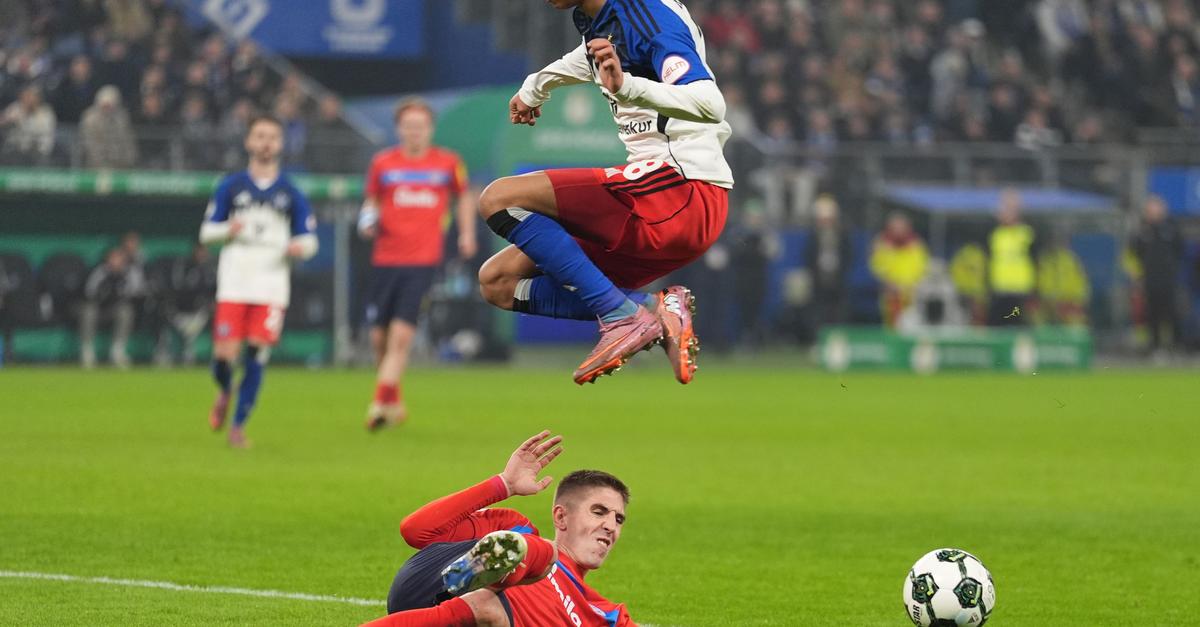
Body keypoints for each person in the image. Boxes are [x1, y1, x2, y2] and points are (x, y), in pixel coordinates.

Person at [476, 0, 732, 385]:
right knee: (497, 282)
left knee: (498, 199)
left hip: (682, 189)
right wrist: (536, 87)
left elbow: (710, 104)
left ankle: (622, 316)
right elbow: (585, 58)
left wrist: (627, 87)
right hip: (665, 208)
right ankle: (654, 309)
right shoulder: (601, 18)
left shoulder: (650, 17)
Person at [361, 431, 634, 627]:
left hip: (468, 616)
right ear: (561, 517)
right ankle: (478, 572)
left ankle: (481, 581)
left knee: (487, 608)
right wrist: (503, 484)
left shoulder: (607, 616)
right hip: (425, 585)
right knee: (542, 552)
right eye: (598, 512)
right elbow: (416, 531)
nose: (610, 526)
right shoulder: (514, 527)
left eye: (618, 519)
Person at [199, 115, 318, 448]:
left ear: (280, 145)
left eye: (272, 137)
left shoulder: (290, 192)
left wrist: (299, 247)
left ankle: (238, 427)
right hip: (235, 282)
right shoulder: (231, 187)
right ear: (249, 142)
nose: (266, 143)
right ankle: (224, 389)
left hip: (271, 285)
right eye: (260, 136)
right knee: (224, 355)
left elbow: (310, 240)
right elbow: (206, 233)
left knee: (257, 354)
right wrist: (227, 231)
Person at [358, 98, 477, 431]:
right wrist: (367, 220)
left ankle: (378, 404)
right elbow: (371, 200)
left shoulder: (447, 163)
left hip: (423, 261)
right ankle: (393, 401)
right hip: (384, 259)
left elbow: (464, 196)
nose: (414, 132)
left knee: (400, 337)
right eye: (408, 126)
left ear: (430, 129)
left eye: (420, 126)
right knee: (378, 339)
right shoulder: (383, 163)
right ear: (399, 129)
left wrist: (466, 233)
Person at [1133, 195, 1185, 355]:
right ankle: (1155, 347)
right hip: (1150, 279)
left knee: (1172, 312)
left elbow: (1179, 249)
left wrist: (1171, 268)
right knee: (1152, 313)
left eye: (1156, 209)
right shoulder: (1143, 230)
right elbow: (1136, 251)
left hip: (1168, 279)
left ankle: (1177, 346)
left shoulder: (1171, 228)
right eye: (1150, 210)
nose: (1153, 213)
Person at [79, 247, 145, 369]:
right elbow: (88, 292)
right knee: (88, 310)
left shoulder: (130, 272)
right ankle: (87, 351)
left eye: (119, 258)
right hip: (98, 309)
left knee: (125, 311)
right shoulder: (100, 271)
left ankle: (117, 351)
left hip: (114, 310)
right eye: (112, 258)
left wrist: (120, 294)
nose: (115, 261)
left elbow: (138, 292)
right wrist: (104, 292)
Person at [869, 212, 929, 327]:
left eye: (901, 227)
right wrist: (888, 282)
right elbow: (876, 266)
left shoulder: (916, 245)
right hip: (891, 294)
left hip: (912, 295)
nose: (898, 230)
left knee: (911, 325)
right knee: (891, 325)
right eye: (895, 227)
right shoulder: (881, 244)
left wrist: (913, 285)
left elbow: (923, 268)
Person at [987, 189, 1037, 326]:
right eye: (1004, 207)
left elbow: (1036, 260)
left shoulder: (1027, 233)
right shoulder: (994, 234)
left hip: (1020, 290)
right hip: (999, 289)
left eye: (1010, 208)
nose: (1005, 212)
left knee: (1017, 323)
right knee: (997, 325)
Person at [805, 195, 853, 326]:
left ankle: (836, 336)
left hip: (837, 276)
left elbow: (848, 254)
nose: (825, 221)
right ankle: (819, 336)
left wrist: (841, 270)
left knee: (838, 309)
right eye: (823, 219)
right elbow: (808, 255)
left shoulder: (842, 234)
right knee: (818, 309)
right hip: (819, 277)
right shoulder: (814, 235)